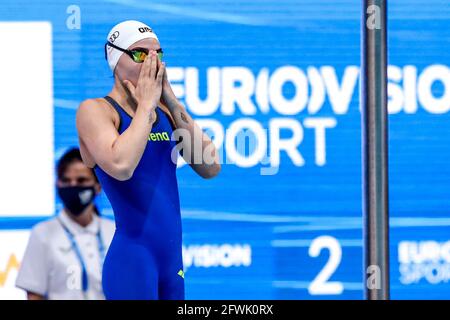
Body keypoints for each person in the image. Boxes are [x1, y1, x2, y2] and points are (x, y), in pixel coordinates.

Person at [75, 20, 220, 300]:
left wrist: (171, 100)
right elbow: (121, 165)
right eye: (141, 54)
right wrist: (146, 107)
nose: (153, 62)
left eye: (159, 54)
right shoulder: (96, 111)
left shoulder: (165, 111)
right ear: (116, 60)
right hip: (132, 261)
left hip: (172, 264)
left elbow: (210, 166)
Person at [15, 147, 115, 300]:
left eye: (81, 180)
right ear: (57, 185)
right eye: (66, 181)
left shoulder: (114, 232)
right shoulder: (42, 233)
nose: (73, 186)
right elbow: (34, 295)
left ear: (98, 186)